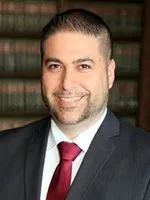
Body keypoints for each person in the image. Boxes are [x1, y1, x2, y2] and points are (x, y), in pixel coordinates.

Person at [0, 8, 150, 200]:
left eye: (83, 66)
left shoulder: (145, 160)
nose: (67, 83)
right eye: (55, 66)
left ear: (110, 73)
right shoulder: (4, 151)